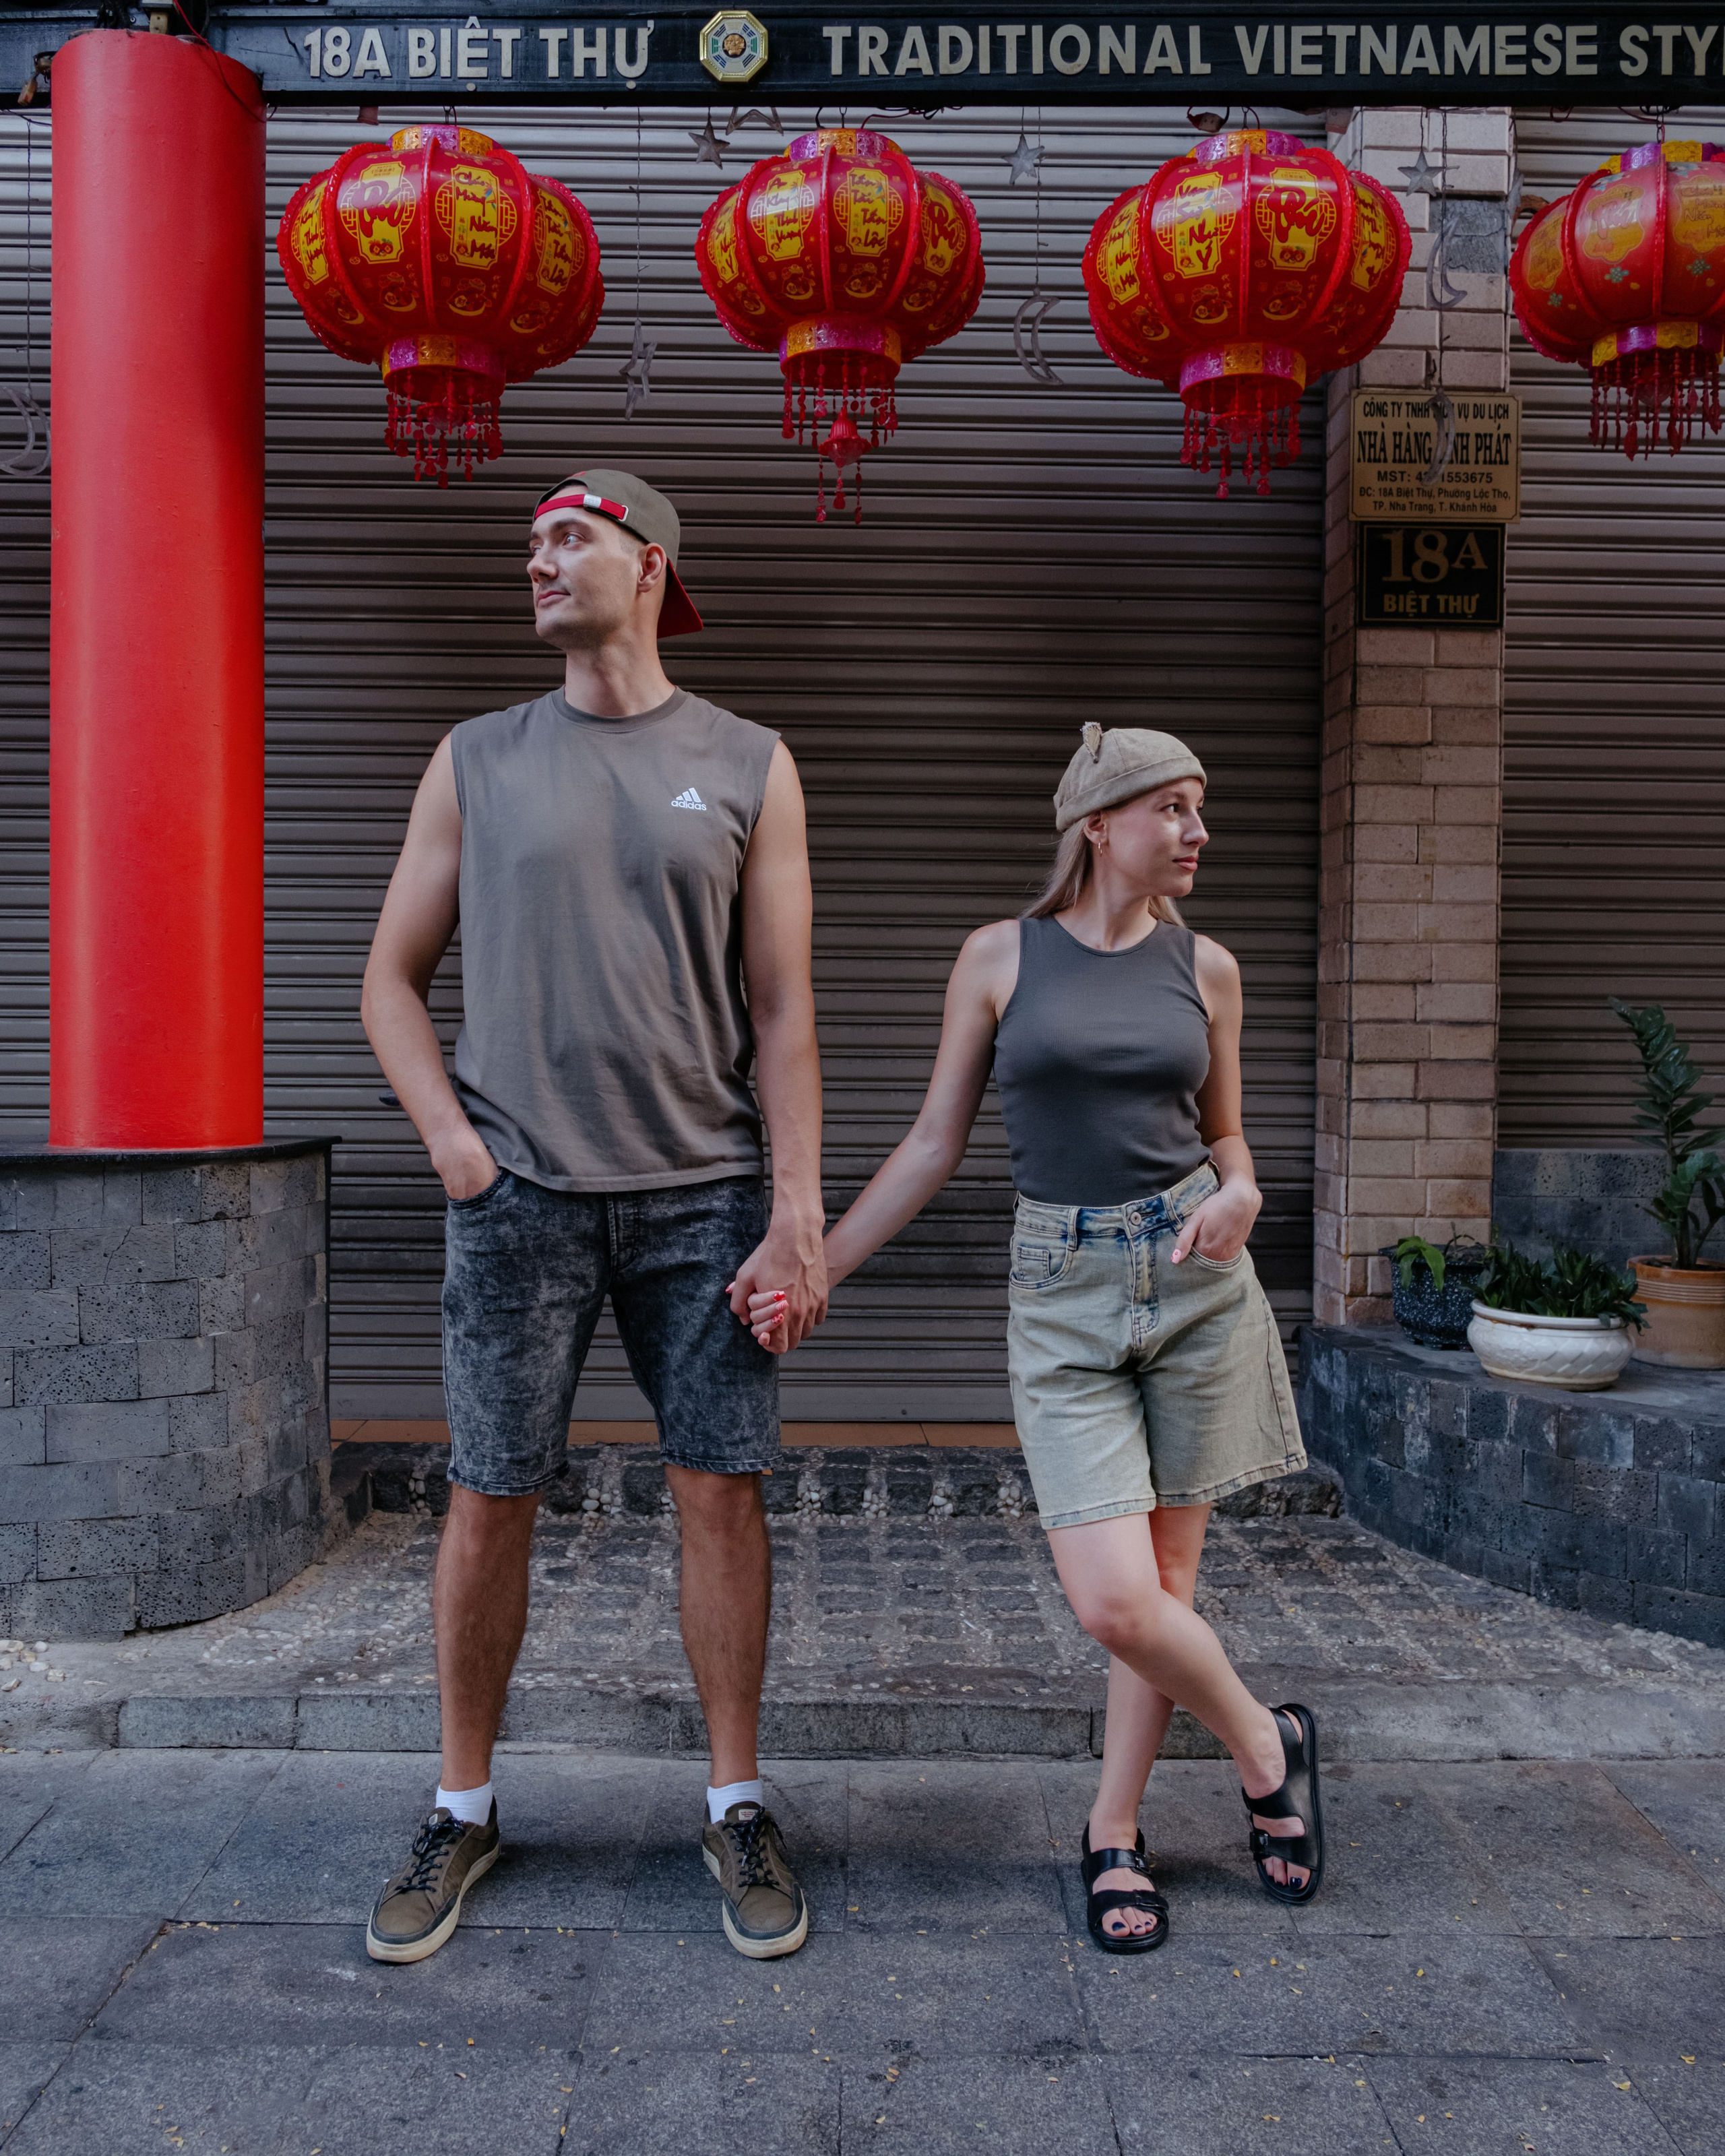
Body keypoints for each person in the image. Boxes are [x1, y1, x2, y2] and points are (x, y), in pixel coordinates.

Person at [747, 723, 1323, 1949]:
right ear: (1099, 826)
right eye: (1174, 808)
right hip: (1062, 1293)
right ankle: (1268, 1746)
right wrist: (817, 1269)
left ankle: (1114, 1832)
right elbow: (931, 1146)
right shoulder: (1000, 959)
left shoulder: (1207, 969)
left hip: (1191, 1279)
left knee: (1167, 1588)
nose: (1199, 832)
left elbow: (1227, 1138)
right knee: (1118, 1601)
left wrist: (1246, 1190)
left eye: (1202, 808)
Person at [360, 469, 825, 1965]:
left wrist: (798, 1212)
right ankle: (460, 1804)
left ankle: (737, 1800)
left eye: (570, 538)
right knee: (490, 1491)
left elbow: (782, 1008)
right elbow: (387, 978)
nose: (538, 560)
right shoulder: (475, 758)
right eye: (535, 543)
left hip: (704, 1196)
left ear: (650, 566)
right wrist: (453, 1147)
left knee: (718, 1490)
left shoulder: (750, 760)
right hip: (518, 1195)